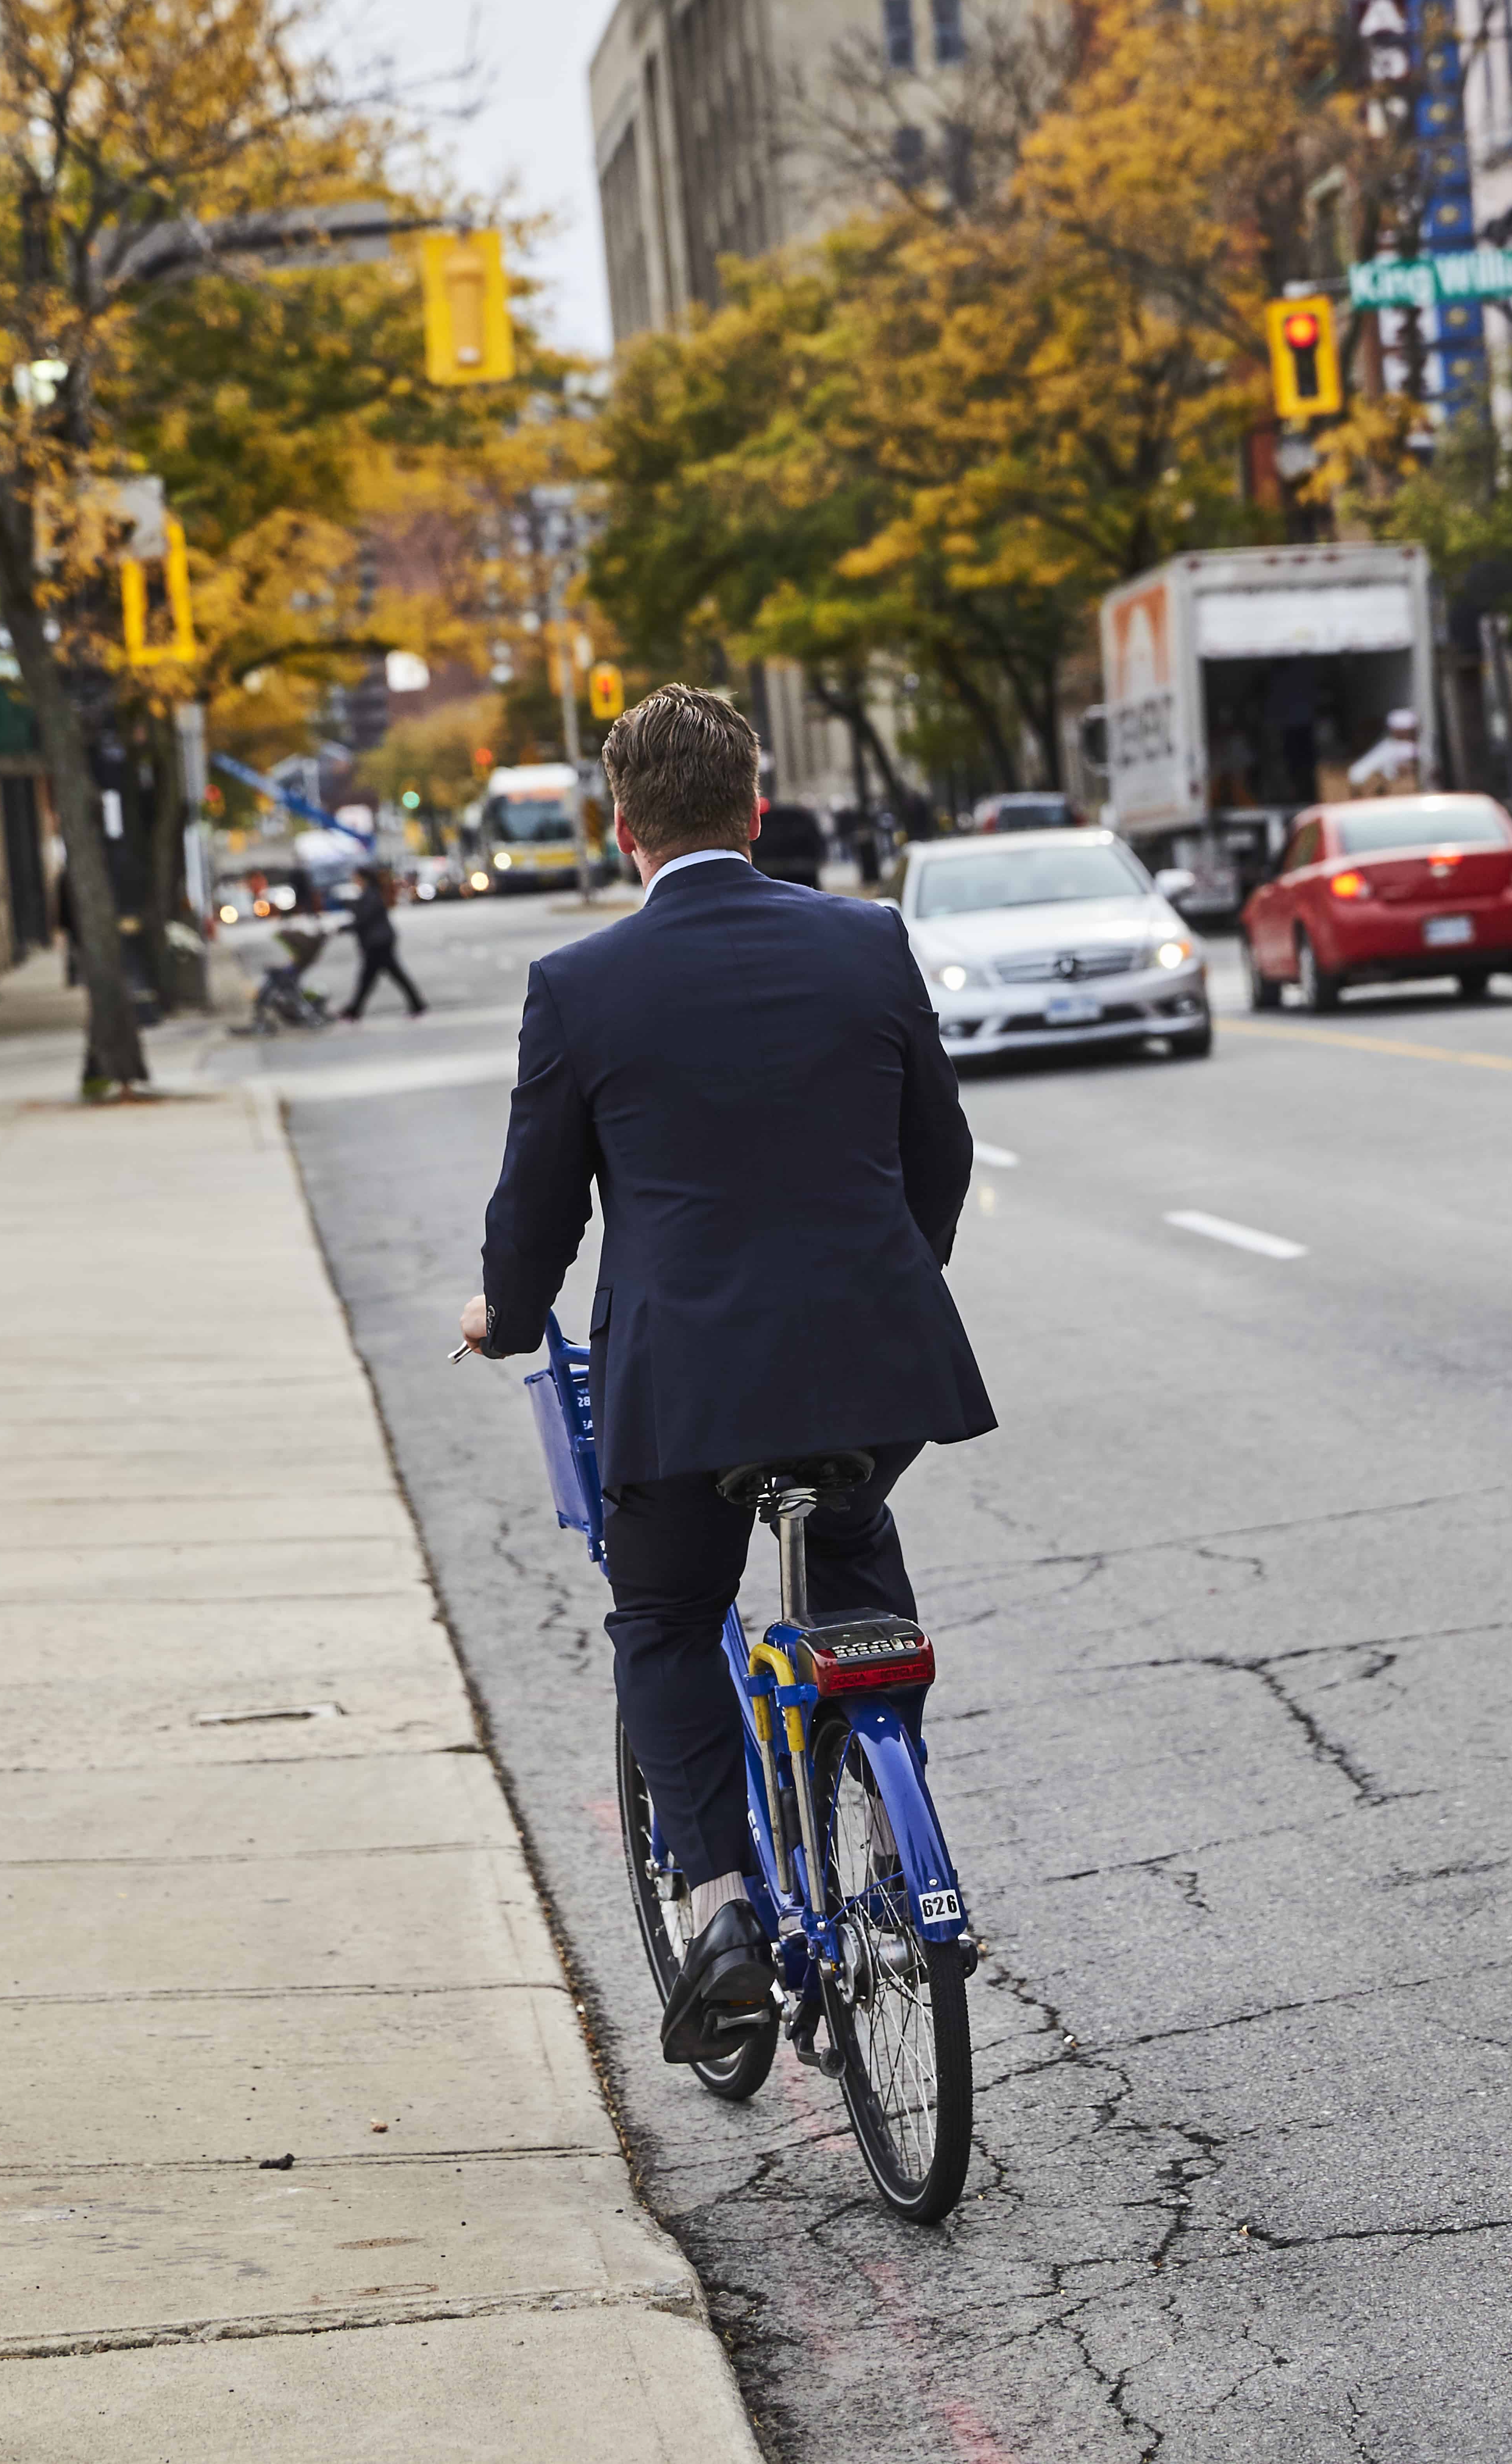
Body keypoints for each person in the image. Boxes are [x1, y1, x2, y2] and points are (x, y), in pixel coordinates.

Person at [457, 683, 993, 2065]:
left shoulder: (578, 988)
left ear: (621, 827)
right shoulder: (864, 941)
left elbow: (537, 1212)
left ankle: (720, 1912)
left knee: (663, 1611)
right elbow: (937, 1155)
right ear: (752, 810)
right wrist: (892, 1279)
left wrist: (503, 1317)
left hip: (685, 1391)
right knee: (855, 1540)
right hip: (872, 1363)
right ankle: (886, 1811)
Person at [341, 865, 427, 1021]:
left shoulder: (371, 894)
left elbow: (365, 918)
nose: (355, 881)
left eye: (356, 878)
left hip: (378, 942)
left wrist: (347, 926)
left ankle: (354, 1010)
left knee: (385, 976)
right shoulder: (369, 893)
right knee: (371, 978)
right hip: (377, 941)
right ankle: (354, 1010)